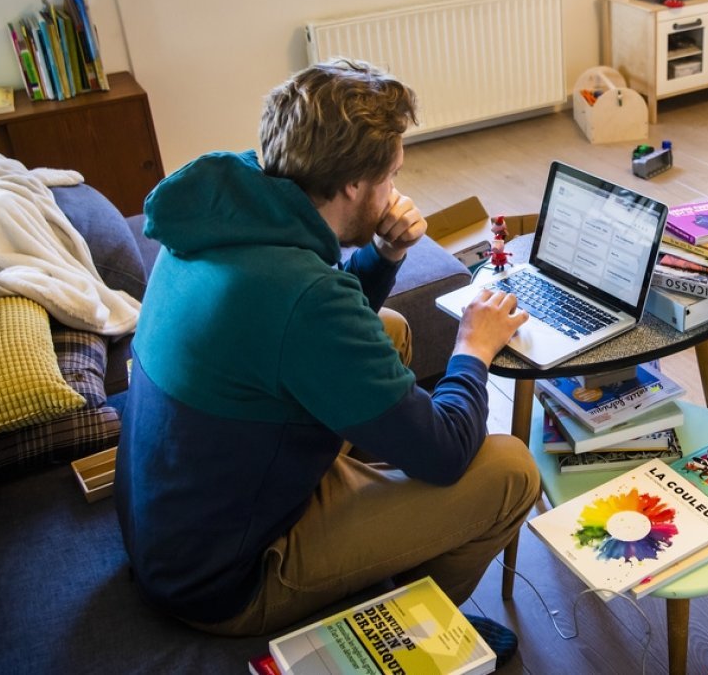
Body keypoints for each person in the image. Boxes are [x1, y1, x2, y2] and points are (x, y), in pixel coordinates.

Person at [115, 59, 540, 655]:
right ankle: (420, 630)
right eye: (390, 176)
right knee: (510, 470)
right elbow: (445, 453)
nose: (395, 191)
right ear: (351, 186)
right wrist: (473, 348)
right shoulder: (300, 293)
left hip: (177, 522)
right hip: (226, 578)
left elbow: (309, 331)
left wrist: (384, 255)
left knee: (386, 328)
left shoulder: (218, 213)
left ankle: (383, 528)